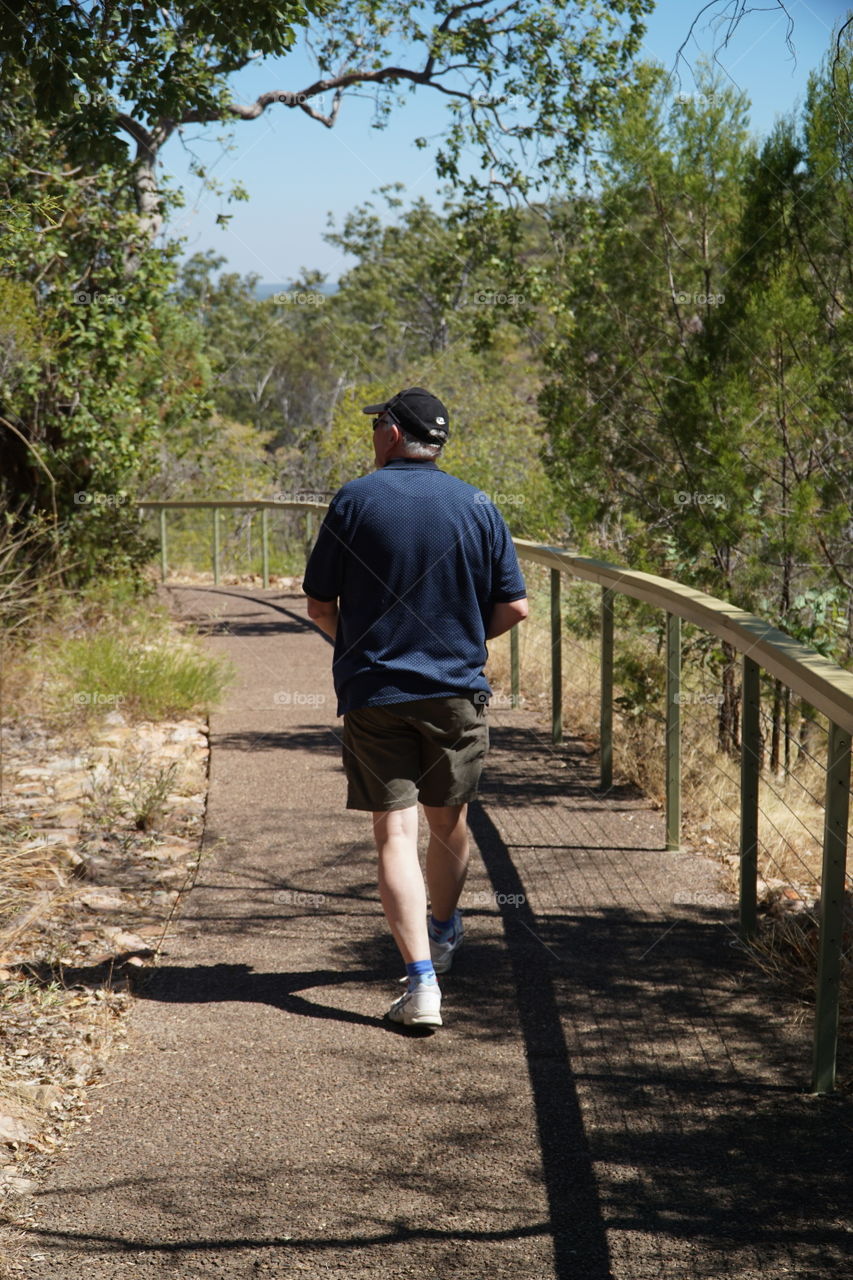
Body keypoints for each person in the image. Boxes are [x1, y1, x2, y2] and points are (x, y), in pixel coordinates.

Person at [302, 387, 528, 1029]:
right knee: (447, 822)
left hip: (376, 694)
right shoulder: (476, 503)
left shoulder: (354, 499)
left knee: (393, 833)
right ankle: (445, 931)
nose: (373, 433)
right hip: (456, 693)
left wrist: (361, 648)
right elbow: (515, 606)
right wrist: (456, 643)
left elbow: (319, 605)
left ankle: (421, 982)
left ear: (395, 434)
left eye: (378, 424)